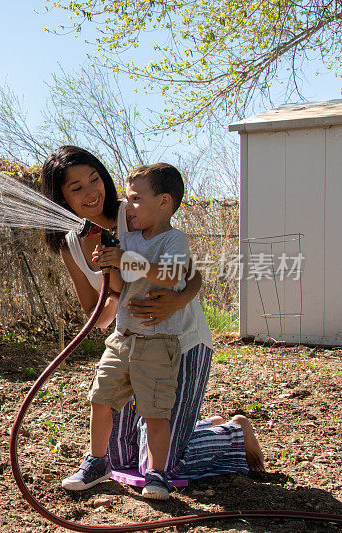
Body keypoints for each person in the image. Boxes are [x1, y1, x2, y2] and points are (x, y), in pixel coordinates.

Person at [39, 147, 263, 493]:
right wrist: (115, 291)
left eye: (94, 179)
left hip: (180, 340)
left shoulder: (135, 211)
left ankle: (233, 433)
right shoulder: (70, 243)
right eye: (76, 187)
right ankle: (196, 427)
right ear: (61, 196)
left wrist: (174, 301)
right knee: (120, 454)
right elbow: (95, 313)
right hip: (131, 341)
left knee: (164, 462)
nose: (91, 192)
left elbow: (191, 274)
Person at [74, 162, 203, 499]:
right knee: (101, 398)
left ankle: (157, 475)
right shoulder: (128, 238)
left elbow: (172, 274)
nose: (127, 207)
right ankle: (97, 461)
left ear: (163, 202)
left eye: (134, 200)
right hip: (122, 337)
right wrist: (109, 263)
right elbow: (119, 286)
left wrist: (124, 258)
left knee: (155, 411)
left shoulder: (174, 240)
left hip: (158, 343)